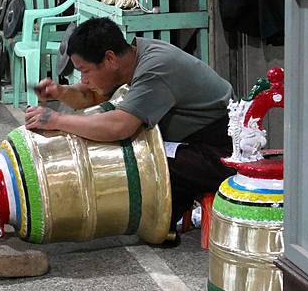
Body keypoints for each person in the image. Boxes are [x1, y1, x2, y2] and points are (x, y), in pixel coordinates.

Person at [24, 17, 235, 241]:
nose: (83, 80)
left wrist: (56, 120)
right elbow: (93, 94)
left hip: (223, 153)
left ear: (109, 58)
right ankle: (170, 220)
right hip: (191, 142)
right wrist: (61, 92)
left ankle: (170, 217)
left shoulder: (155, 68)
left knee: (141, 163)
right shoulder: (131, 57)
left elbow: (119, 126)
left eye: (85, 71)